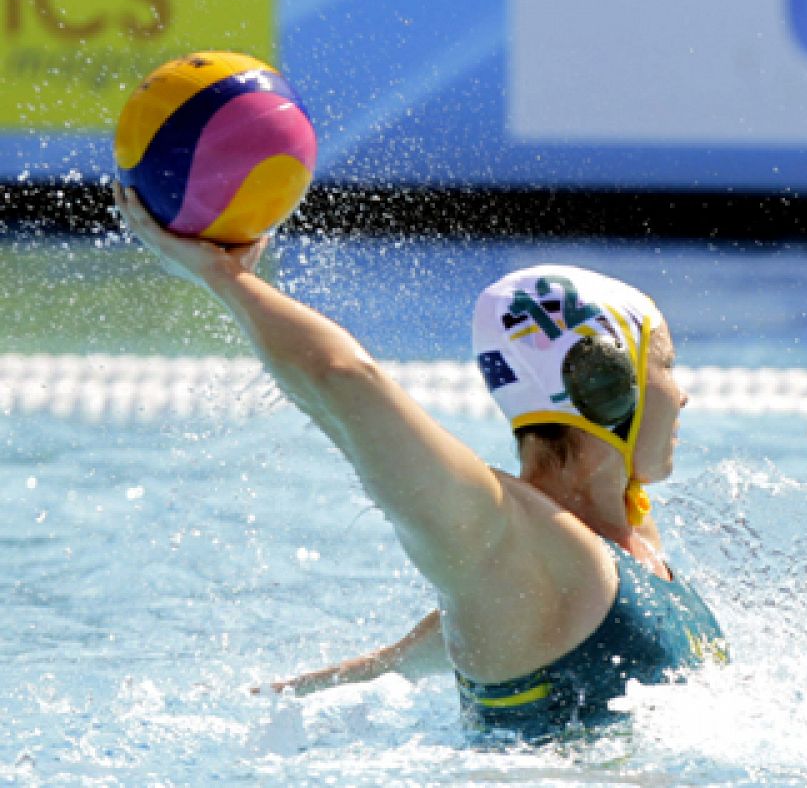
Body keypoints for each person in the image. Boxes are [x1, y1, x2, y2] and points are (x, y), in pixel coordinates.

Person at [115, 188, 726, 741]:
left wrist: (271, 700)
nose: (682, 394)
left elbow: (405, 661)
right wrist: (224, 276)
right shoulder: (512, 539)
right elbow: (343, 380)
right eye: (667, 364)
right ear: (604, 378)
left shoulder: (604, 546)